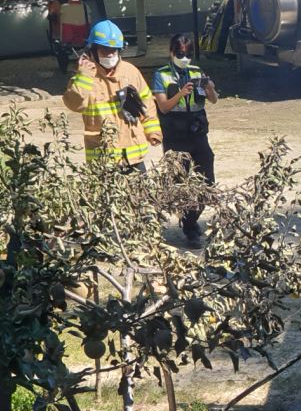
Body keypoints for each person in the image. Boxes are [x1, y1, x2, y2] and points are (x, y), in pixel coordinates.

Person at [63, 20, 161, 170]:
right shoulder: (85, 77)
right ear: (93, 50)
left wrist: (153, 131)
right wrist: (84, 77)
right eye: (105, 50)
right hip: (103, 159)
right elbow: (74, 104)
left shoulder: (130, 72)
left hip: (134, 156)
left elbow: (147, 104)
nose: (110, 55)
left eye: (113, 50)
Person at [152, 33, 217, 246]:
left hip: (197, 134)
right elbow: (163, 107)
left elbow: (214, 100)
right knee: (181, 186)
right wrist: (181, 93)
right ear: (171, 52)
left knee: (207, 183)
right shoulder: (161, 74)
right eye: (180, 54)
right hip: (175, 137)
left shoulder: (197, 71)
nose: (185, 58)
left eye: (188, 54)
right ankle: (188, 227)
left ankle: (191, 221)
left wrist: (209, 88)